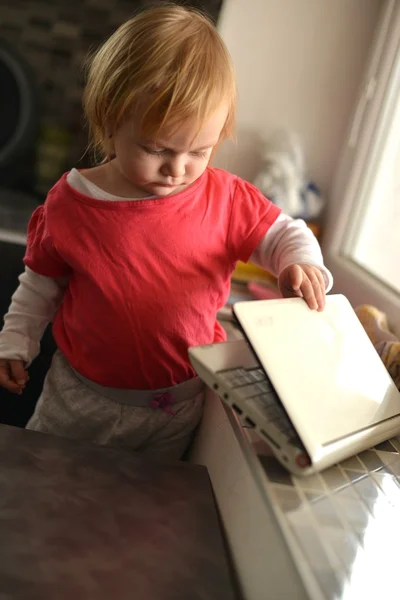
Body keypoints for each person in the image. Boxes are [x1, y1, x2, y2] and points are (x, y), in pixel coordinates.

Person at [0, 5, 332, 459]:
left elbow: (283, 234)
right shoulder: (71, 204)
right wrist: (15, 341)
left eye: (199, 150)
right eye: (156, 148)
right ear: (111, 119)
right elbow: (39, 284)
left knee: (138, 516)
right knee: (42, 492)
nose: (177, 169)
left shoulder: (225, 197)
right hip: (76, 400)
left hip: (177, 410)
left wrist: (301, 262)